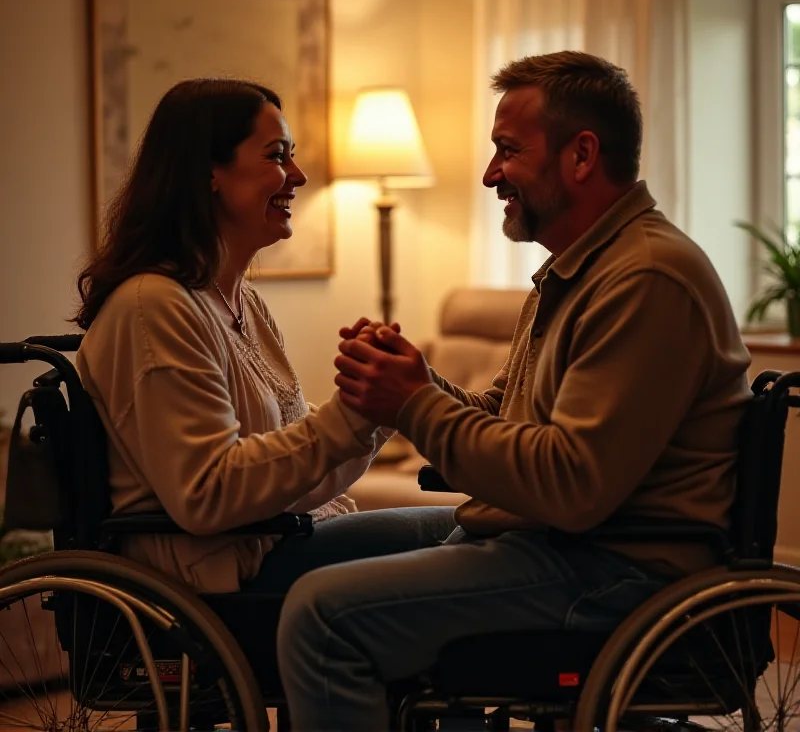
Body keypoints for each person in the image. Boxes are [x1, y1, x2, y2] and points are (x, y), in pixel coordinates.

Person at [276, 51, 753, 731]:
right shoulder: (578, 267)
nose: (488, 173)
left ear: (581, 155)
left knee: (323, 614)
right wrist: (413, 376)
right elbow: (500, 419)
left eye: (507, 150)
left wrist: (413, 400)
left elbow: (571, 484)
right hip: (559, 539)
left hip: (622, 566)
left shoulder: (646, 280)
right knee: (331, 545)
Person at [72, 78, 455, 596]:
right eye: (277, 155)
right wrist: (350, 416)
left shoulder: (240, 301)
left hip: (279, 545)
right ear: (208, 172)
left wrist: (375, 406)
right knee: (459, 537)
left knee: (468, 531)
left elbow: (296, 470)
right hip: (220, 579)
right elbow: (208, 493)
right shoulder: (153, 308)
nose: (296, 174)